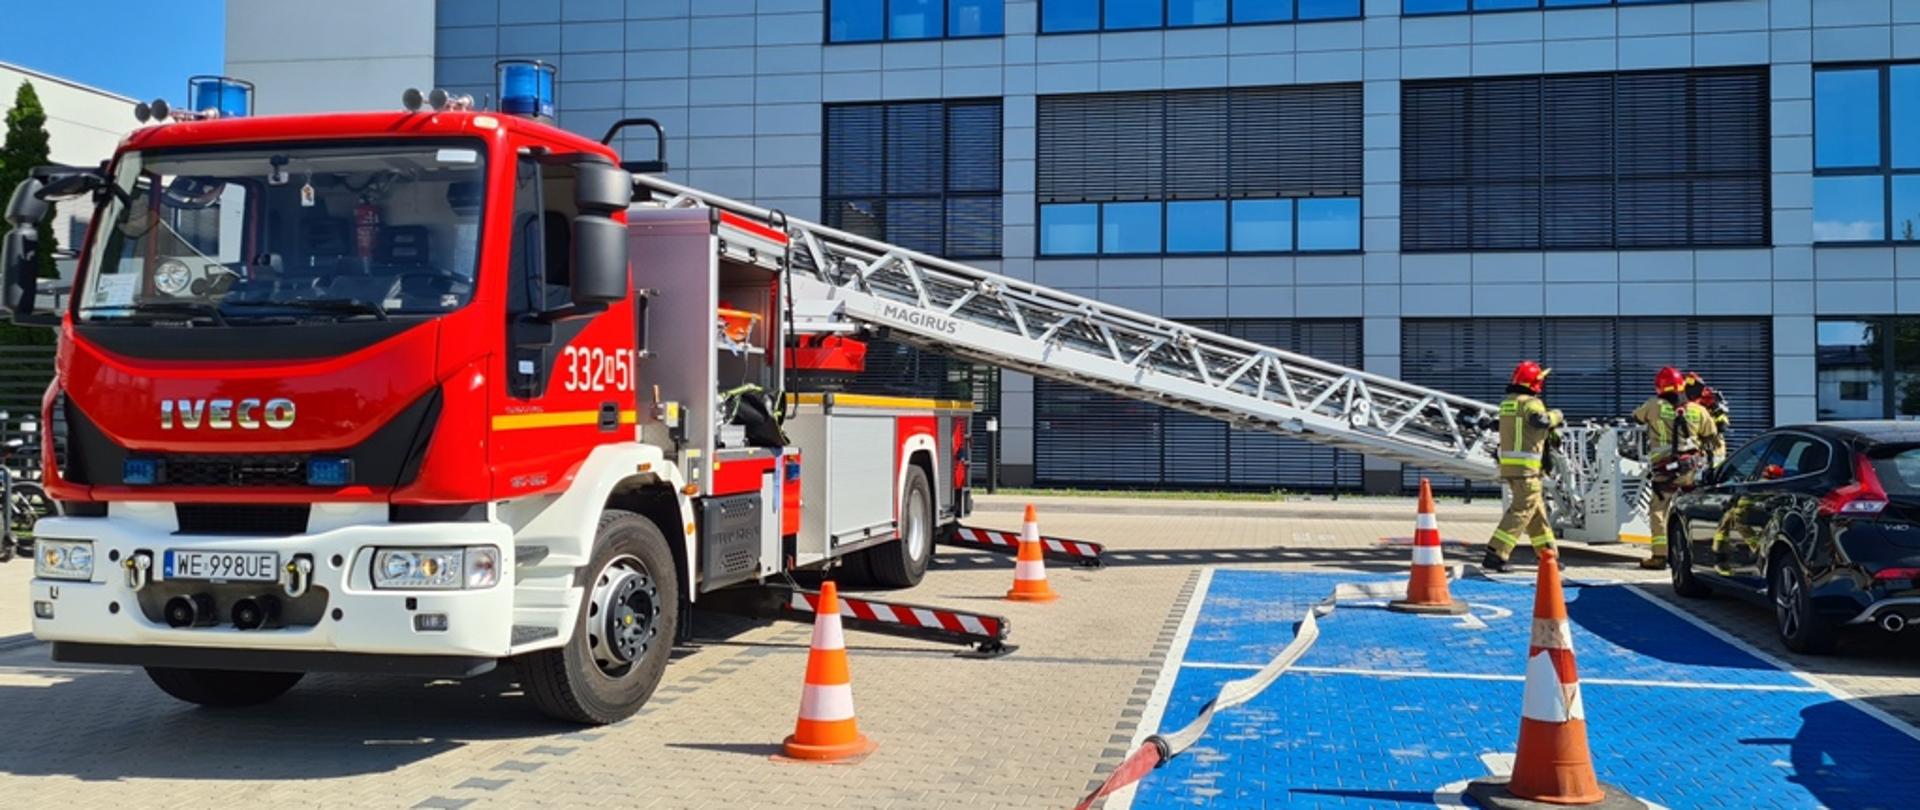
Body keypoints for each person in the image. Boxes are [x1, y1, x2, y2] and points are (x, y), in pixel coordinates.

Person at [1633, 366, 1719, 570]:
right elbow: (1712, 437)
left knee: (1659, 511)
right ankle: (1702, 554)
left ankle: (1659, 556)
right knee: (1695, 511)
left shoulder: (1653, 406)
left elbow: (1636, 417)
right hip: (1692, 470)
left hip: (1666, 471)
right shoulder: (1698, 410)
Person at [1481, 360, 1564, 573]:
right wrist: (1557, 416)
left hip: (1512, 468)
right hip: (1528, 470)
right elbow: (1541, 421)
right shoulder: (1531, 403)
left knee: (1537, 515)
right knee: (1520, 511)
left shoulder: (1507, 403)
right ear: (1534, 383)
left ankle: (1548, 556)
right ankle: (1496, 554)